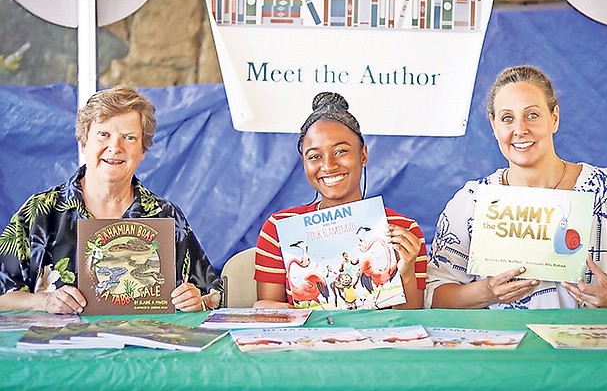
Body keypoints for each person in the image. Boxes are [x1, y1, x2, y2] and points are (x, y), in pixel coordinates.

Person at [426, 65, 607, 309]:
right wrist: (486, 292)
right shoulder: (472, 201)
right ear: (493, 125)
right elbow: (434, 293)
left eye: (532, 115)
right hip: (501, 346)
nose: (520, 129)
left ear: (554, 118)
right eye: (507, 118)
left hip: (591, 345)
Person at [0, 85, 222, 313]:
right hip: (62, 348)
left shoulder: (166, 215)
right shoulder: (41, 212)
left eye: (129, 138)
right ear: (84, 142)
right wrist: (44, 302)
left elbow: (214, 294)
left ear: (143, 150)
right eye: (103, 134)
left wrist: (198, 300)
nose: (115, 147)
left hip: (145, 347)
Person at [254, 91, 427, 309]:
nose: (328, 165)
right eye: (315, 156)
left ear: (363, 155)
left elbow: (409, 322)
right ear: (304, 164)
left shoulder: (403, 231)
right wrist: (268, 309)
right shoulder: (278, 229)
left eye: (341, 151)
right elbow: (266, 308)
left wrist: (407, 272)